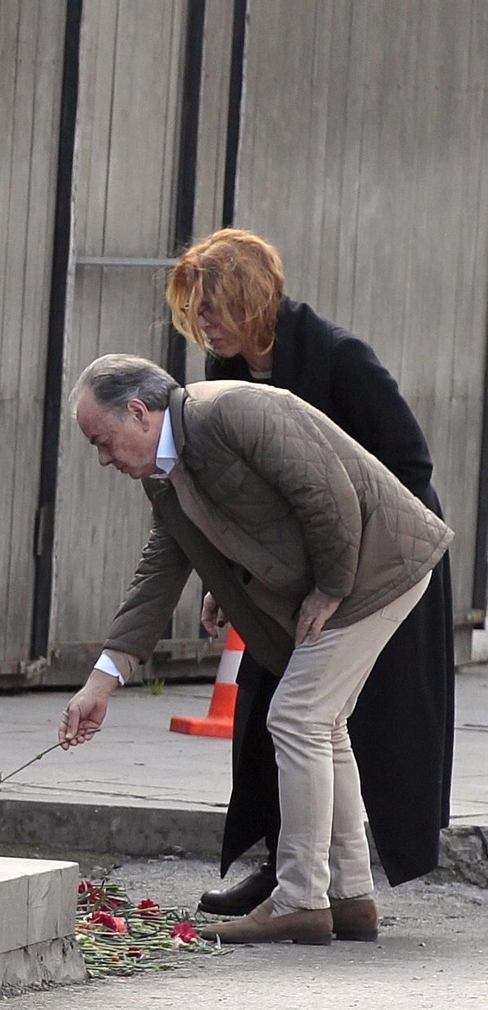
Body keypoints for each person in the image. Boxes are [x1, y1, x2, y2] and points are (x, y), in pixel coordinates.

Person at [59, 354, 451, 945]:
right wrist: (100, 684)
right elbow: (160, 574)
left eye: (103, 440)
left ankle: (300, 898)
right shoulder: (166, 476)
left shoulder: (229, 412)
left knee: (296, 717)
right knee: (325, 724)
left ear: (139, 413)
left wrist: (331, 586)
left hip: (378, 567)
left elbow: (326, 492)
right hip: (359, 569)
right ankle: (349, 897)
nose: (104, 458)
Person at [166, 229, 455, 915]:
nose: (203, 324)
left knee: (330, 719)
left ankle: (324, 887)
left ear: (250, 298)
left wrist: (341, 576)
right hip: (293, 572)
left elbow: (411, 466)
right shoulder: (224, 370)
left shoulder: (339, 358)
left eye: (213, 307)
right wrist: (225, 578)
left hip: (384, 560)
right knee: (276, 710)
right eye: (196, 311)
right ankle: (295, 870)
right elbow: (241, 492)